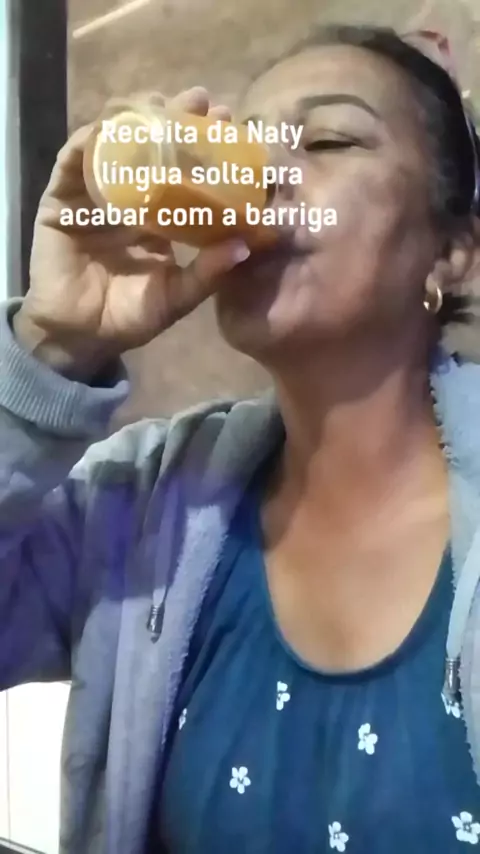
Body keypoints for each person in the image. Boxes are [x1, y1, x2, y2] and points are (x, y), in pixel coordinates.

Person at [1, 21, 480, 854]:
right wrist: (53, 345)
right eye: (245, 148)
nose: (264, 180)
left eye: (328, 140)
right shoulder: (144, 508)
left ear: (453, 252)